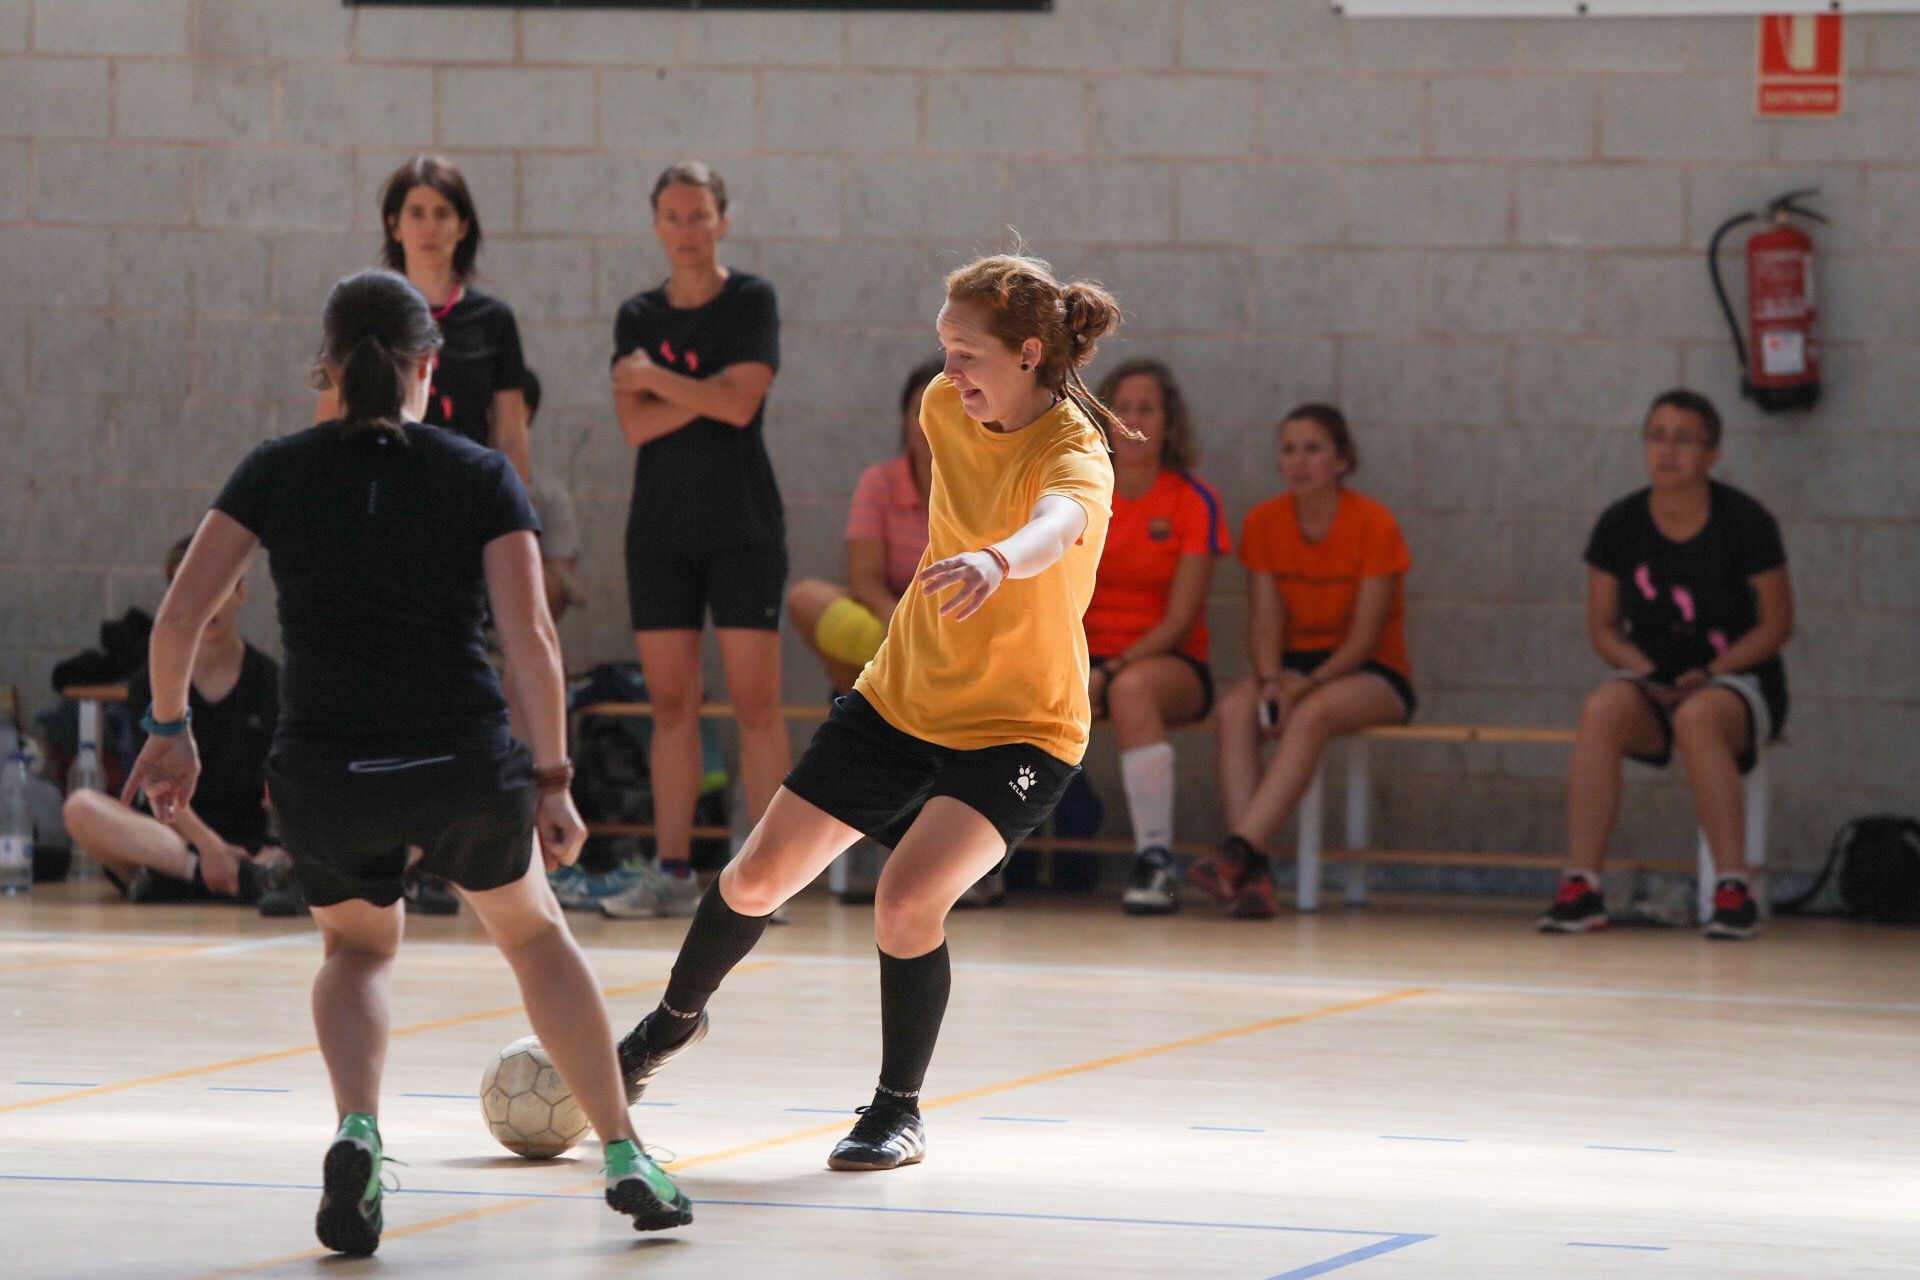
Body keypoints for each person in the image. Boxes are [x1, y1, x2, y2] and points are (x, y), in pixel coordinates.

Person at [121, 270, 690, 1255]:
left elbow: (177, 616)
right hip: (459, 759)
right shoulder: (480, 473)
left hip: (326, 773)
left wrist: (170, 726)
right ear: (433, 364)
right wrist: (554, 780)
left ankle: (358, 1129)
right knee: (534, 936)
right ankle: (624, 1149)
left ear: (328, 367)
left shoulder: (274, 469)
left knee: (357, 951)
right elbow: (532, 639)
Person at [613, 253, 1123, 1173]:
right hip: (903, 695)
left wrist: (998, 560)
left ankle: (896, 1110)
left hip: (1021, 729)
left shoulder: (1077, 450)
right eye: (944, 348)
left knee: (906, 899)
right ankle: (668, 1026)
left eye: (967, 352)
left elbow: (1059, 524)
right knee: (755, 880)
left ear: (1029, 352)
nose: (949, 370)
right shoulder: (942, 408)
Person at [603, 161, 789, 921]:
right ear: (657, 226)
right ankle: (672, 869)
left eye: (700, 215)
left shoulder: (750, 300)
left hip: (744, 527)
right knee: (673, 703)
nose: (687, 229)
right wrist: (709, 392)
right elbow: (634, 424)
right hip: (660, 533)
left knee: (756, 704)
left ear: (723, 221)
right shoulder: (637, 315)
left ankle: (770, 877)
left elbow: (742, 408)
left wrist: (658, 378)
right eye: (674, 217)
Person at [1539, 390, 1792, 941]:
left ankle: (1733, 889)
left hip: (1737, 676)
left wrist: (1715, 671)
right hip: (1652, 677)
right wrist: (1642, 670)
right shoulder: (1619, 523)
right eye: (1656, 436)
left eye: (1683, 439)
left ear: (1712, 454)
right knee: (1602, 708)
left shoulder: (1746, 522)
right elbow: (1604, 628)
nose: (1667, 450)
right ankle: (1582, 886)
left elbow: (1776, 625)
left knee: (1698, 718)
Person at [1198, 404, 1416, 920]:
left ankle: (1238, 852)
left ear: (1342, 459)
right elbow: (1264, 622)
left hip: (1369, 671)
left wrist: (1308, 684)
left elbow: (1364, 638)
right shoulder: (1265, 522)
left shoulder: (1374, 524)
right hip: (1293, 666)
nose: (1299, 461)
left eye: (1313, 449)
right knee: (1235, 709)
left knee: (1312, 714)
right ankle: (1253, 878)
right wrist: (1272, 679)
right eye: (1289, 450)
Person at [1084, 359, 1230, 916]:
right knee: (1006, 687)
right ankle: (985, 861)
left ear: (1170, 423)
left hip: (1169, 664)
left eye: (1147, 409)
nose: (1134, 420)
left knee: (1133, 691)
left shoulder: (1193, 499)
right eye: (1122, 408)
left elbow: (1179, 620)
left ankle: (1155, 861)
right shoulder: (1079, 493)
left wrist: (1110, 670)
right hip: (1084, 656)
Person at [63, 537, 279, 905]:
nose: (205, 603)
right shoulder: (150, 682)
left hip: (247, 841)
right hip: (170, 838)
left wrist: (283, 847)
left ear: (240, 593)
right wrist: (207, 846)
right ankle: (210, 874)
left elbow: (286, 783)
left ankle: (202, 878)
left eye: (218, 588)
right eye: (190, 591)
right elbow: (158, 782)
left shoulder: (270, 680)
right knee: (80, 808)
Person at [316, 155, 530, 484]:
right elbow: (329, 421)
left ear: (462, 226)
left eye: (442, 214)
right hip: (381, 488)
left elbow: (510, 436)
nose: (429, 228)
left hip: (464, 491)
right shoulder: (362, 309)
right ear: (394, 225)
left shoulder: (494, 320)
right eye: (416, 213)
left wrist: (518, 506)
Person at [786, 357, 943, 694]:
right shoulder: (880, 482)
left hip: (956, 627)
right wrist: (896, 622)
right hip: (892, 622)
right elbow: (864, 577)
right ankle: (871, 700)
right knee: (806, 599)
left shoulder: (988, 486)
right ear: (903, 419)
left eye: (943, 410)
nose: (928, 422)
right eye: (918, 410)